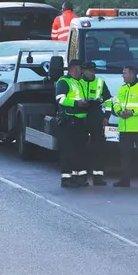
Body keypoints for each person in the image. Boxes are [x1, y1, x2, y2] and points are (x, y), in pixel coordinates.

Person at [112, 65, 138, 188]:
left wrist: (132, 112)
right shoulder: (122, 88)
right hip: (124, 126)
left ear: (132, 74)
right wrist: (119, 112)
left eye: (124, 73)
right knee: (125, 155)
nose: (122, 76)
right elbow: (116, 103)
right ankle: (125, 180)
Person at [55, 58, 89, 188]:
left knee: (80, 150)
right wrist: (76, 103)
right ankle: (66, 179)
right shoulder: (64, 81)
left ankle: (79, 178)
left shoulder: (80, 82)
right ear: (73, 69)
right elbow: (60, 99)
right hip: (69, 121)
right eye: (80, 68)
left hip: (81, 122)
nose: (82, 71)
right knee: (68, 151)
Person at [80, 61, 113, 186]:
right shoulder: (78, 82)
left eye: (93, 70)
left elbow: (108, 100)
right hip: (81, 116)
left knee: (98, 148)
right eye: (89, 70)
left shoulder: (100, 83)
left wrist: (106, 116)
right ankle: (81, 177)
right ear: (84, 71)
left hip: (96, 115)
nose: (92, 73)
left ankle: (98, 177)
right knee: (81, 147)